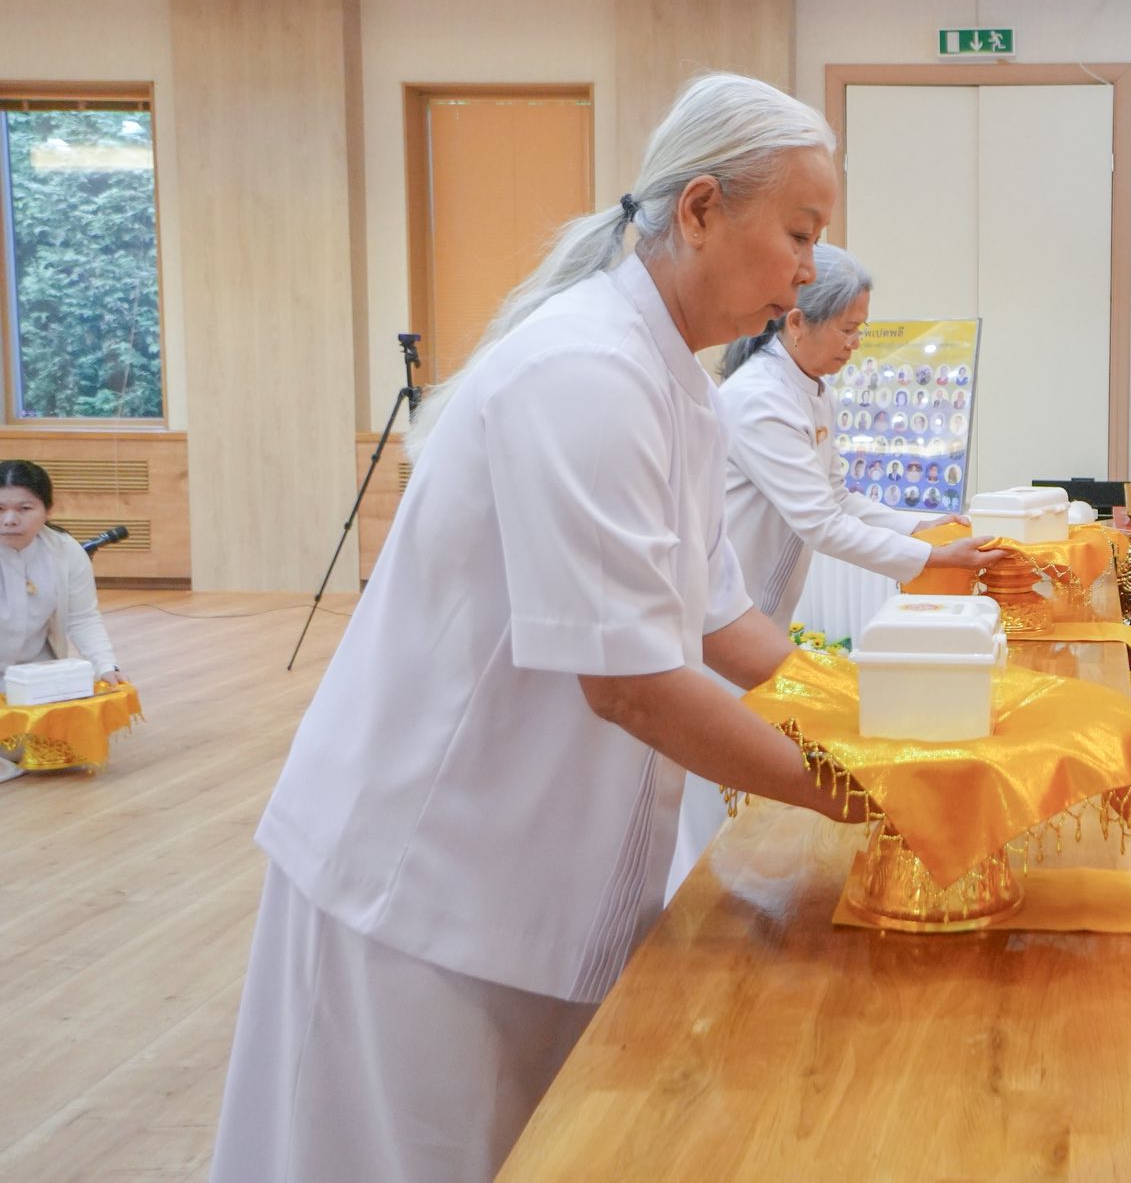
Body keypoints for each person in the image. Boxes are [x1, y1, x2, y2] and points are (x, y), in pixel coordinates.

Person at [210, 74, 872, 1183]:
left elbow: (723, 625)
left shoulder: (679, 390)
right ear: (701, 209)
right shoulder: (585, 369)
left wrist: (884, 725)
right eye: (799, 233)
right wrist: (865, 791)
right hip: (427, 873)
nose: (809, 270)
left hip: (527, 864)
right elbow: (630, 684)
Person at [717, 243, 998, 629]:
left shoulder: (815, 391)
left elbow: (837, 498)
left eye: (859, 330)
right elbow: (822, 524)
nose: (856, 343)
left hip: (764, 610)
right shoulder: (759, 399)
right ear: (796, 323)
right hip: (726, 612)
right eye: (847, 330)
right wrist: (932, 556)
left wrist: (917, 527)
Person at [0, 459, 127, 782]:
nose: (10, 520)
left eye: (25, 508)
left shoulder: (66, 551)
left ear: (48, 509)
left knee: (63, 747)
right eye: (0, 509)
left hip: (35, 673)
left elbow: (83, 617)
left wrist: (105, 666)